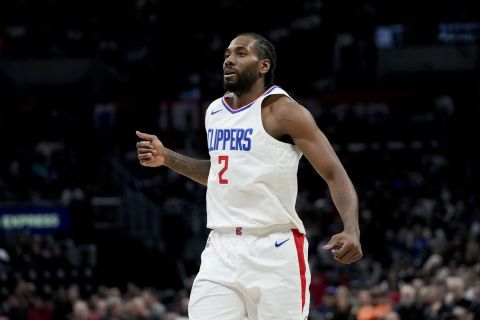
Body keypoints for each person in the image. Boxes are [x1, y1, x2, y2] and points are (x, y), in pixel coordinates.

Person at [136, 32, 362, 320]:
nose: (229, 60)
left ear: (263, 66)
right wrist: (167, 157)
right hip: (221, 246)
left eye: (241, 53)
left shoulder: (285, 112)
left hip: (275, 247)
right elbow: (220, 172)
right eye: (227, 54)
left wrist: (351, 228)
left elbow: (334, 173)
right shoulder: (215, 111)